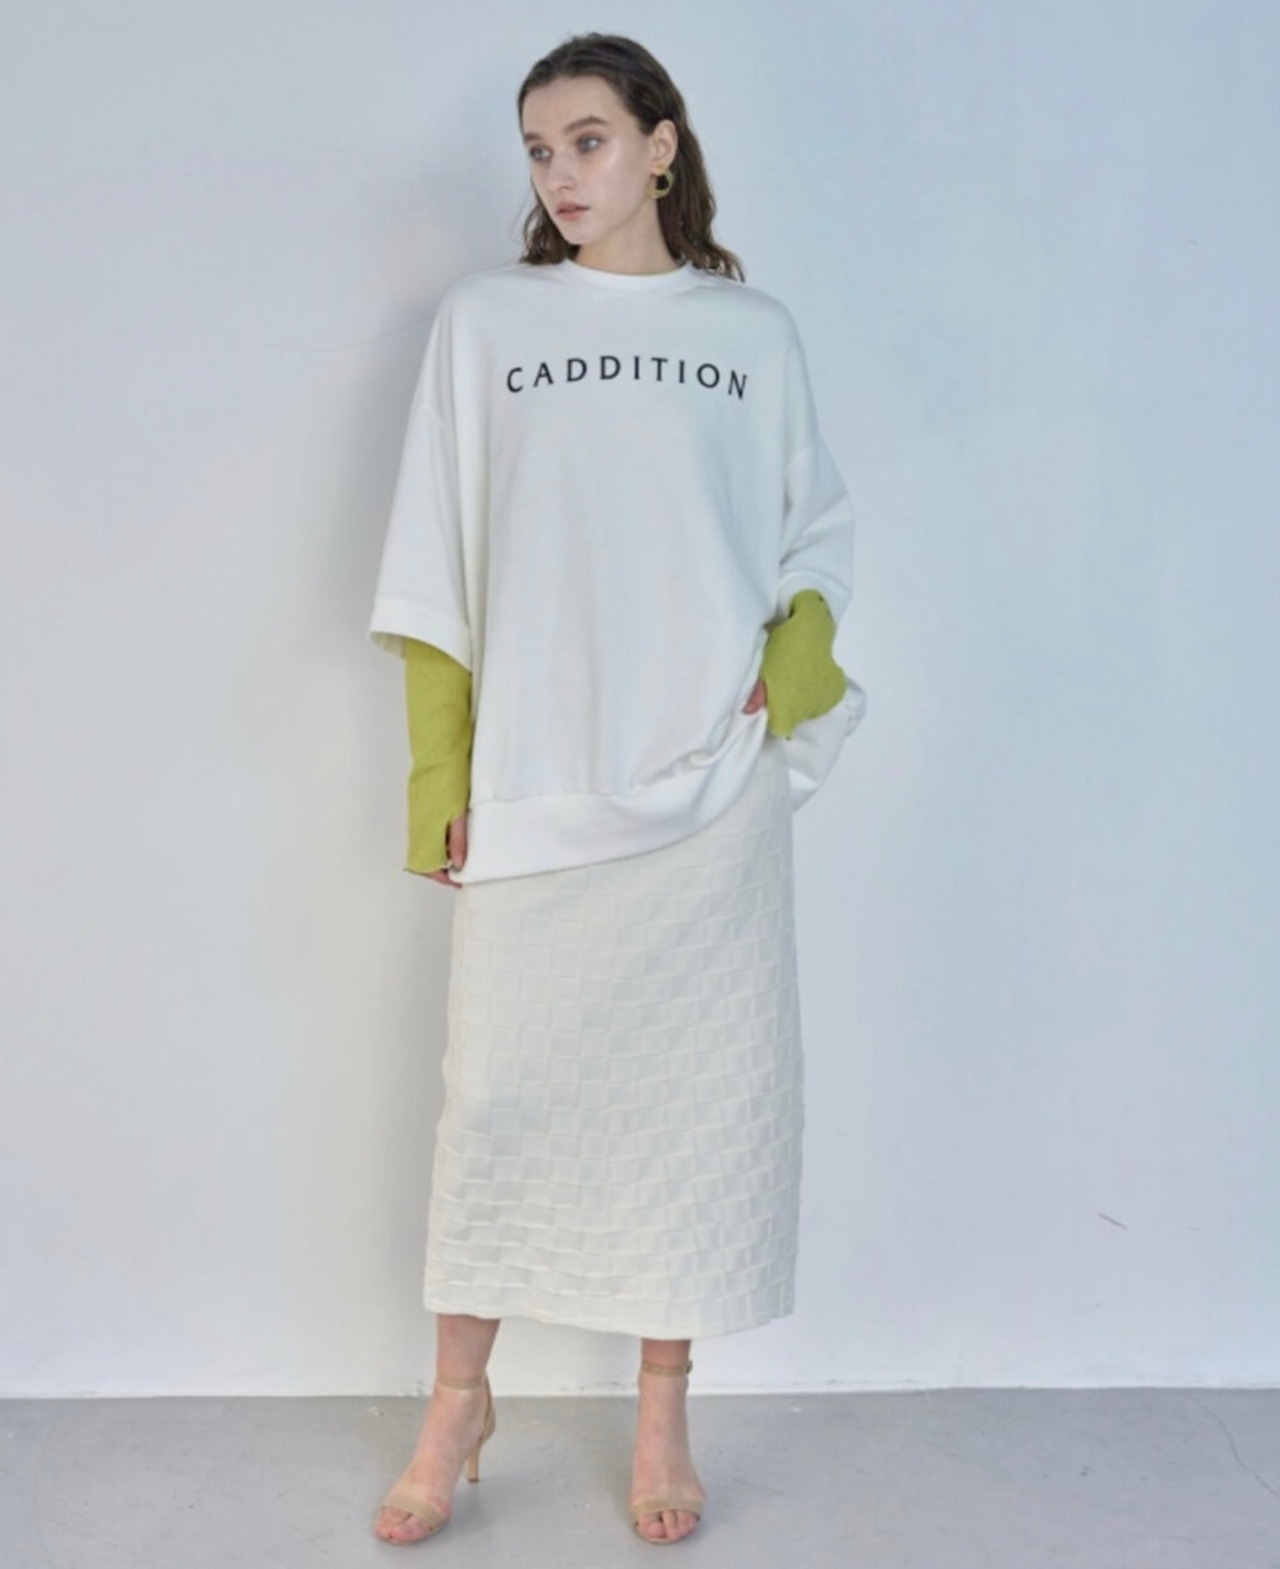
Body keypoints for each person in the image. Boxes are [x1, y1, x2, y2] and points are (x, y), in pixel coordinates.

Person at [366, 32, 867, 1548]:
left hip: (708, 787)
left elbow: (813, 537)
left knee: (690, 1106)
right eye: (539, 150)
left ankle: (663, 1407)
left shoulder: (751, 333)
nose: (560, 174)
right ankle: (458, 1403)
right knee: (494, 1101)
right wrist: (440, 774)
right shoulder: (489, 323)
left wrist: (789, 667)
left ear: (662, 143)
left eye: (588, 139)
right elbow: (434, 560)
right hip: (542, 774)